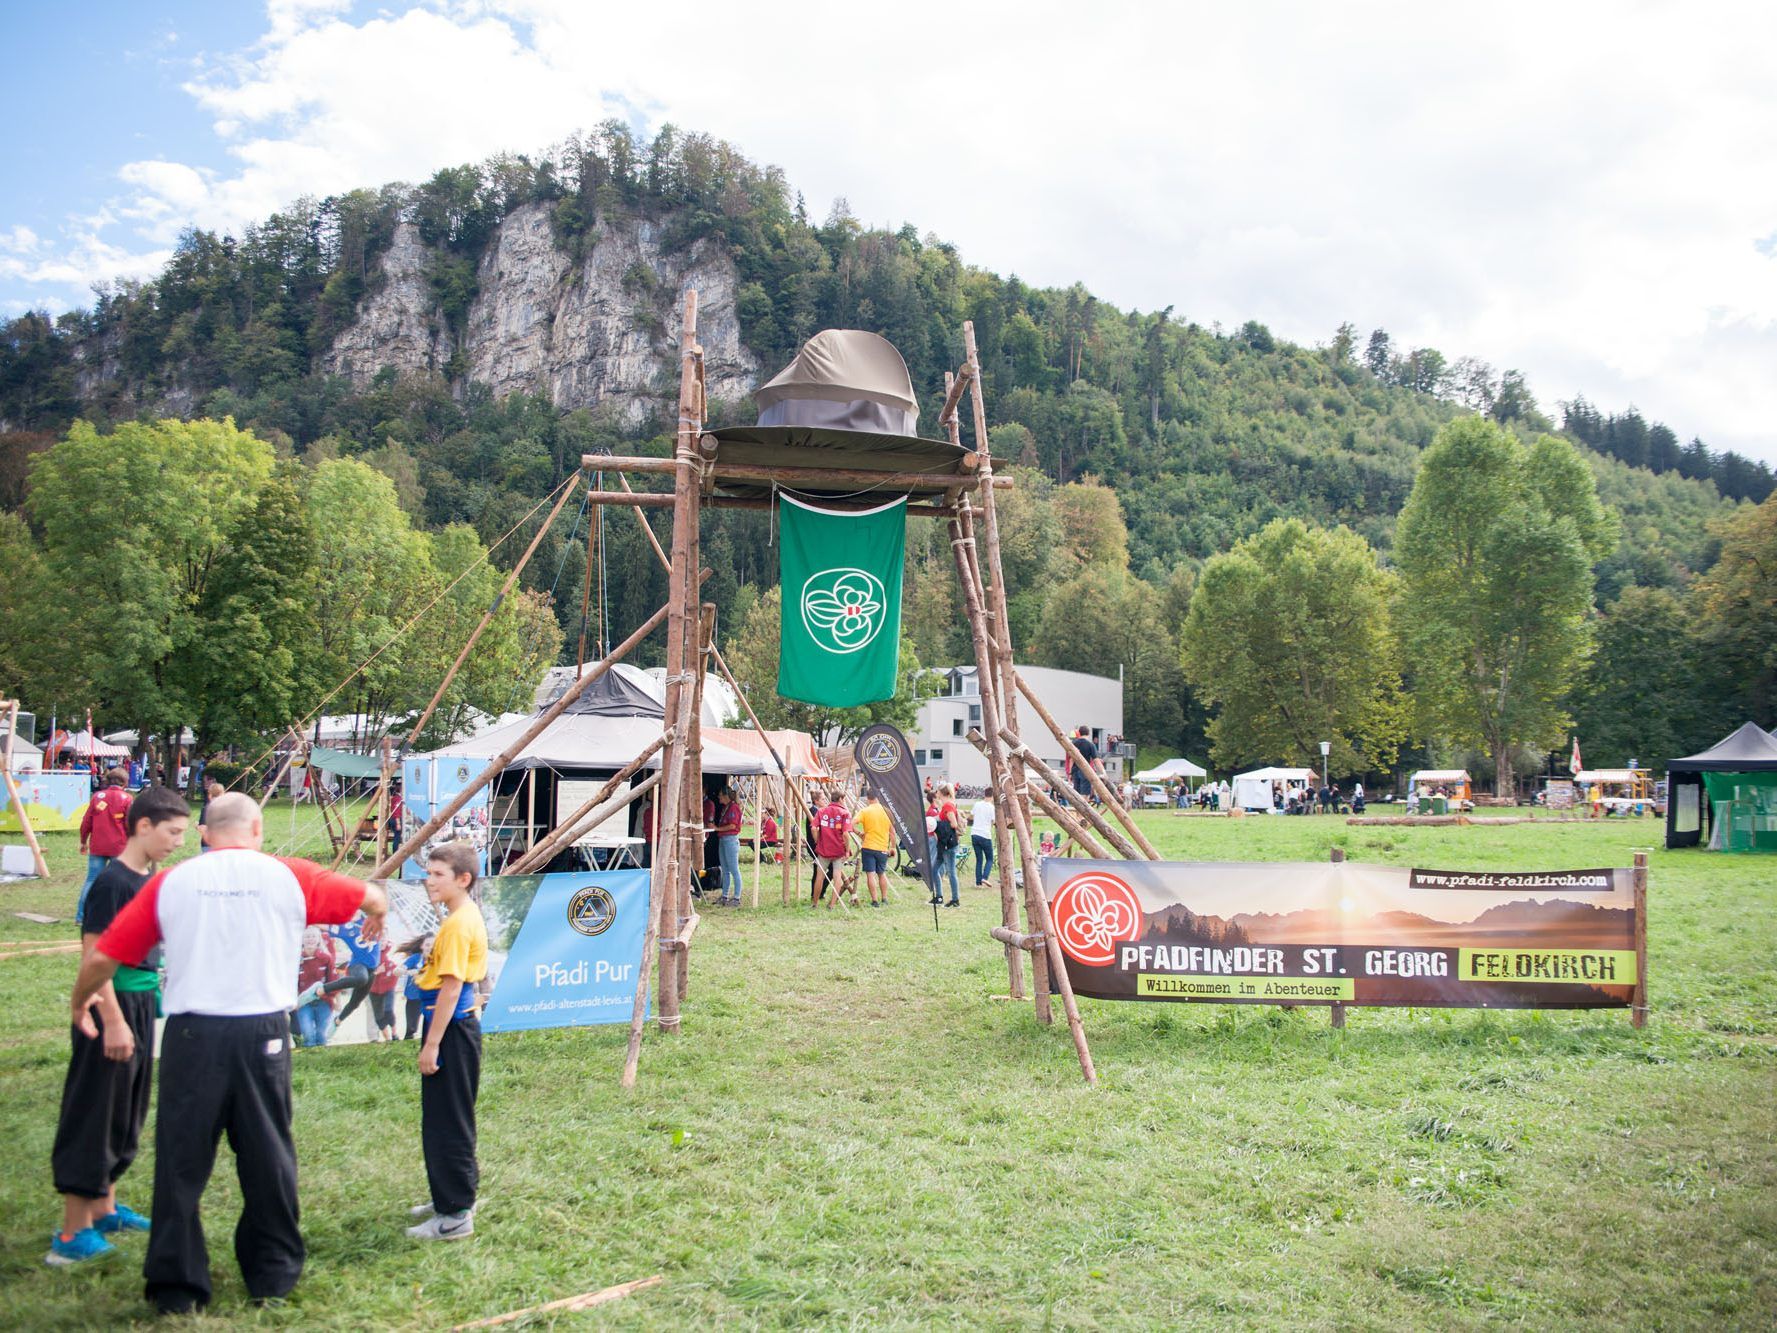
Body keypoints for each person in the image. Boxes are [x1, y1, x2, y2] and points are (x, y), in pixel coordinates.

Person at [71, 792, 388, 1315]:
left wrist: (80, 1003)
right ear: (257, 829)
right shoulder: (291, 875)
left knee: (180, 1165)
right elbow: (370, 894)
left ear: (204, 833)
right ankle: (274, 1275)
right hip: (262, 1035)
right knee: (268, 1156)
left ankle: (176, 1288)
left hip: (193, 1036)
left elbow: (105, 954)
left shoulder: (170, 882)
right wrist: (375, 913)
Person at [46, 785, 189, 1268]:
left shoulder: (151, 878)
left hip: (140, 1001)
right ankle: (71, 1232)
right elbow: (95, 955)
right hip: (112, 1007)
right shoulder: (112, 882)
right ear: (143, 826)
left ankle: (104, 1208)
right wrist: (111, 1021)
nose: (178, 842)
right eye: (172, 832)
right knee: (95, 1111)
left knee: (125, 1111)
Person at [406, 842, 488, 1242]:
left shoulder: (458, 923)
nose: (429, 880)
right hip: (456, 1028)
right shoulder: (461, 915)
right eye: (429, 872)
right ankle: (454, 1196)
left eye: (438, 874)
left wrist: (431, 1044)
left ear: (463, 879)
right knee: (453, 1115)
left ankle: (454, 1214)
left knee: (445, 1122)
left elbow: (451, 989)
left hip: (451, 1030)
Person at [76, 768, 133, 925]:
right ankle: (115, 916)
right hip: (119, 846)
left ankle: (81, 916)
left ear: (108, 780)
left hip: (98, 845)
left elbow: (87, 821)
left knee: (92, 880)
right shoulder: (127, 798)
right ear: (125, 782)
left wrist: (83, 841)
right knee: (118, 880)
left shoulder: (96, 797)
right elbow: (129, 823)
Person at [293, 930, 337, 1048]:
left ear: (319, 940)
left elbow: (334, 981)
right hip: (303, 1003)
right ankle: (310, 1062)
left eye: (313, 936)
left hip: (324, 1002)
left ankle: (322, 1061)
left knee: (322, 1035)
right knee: (308, 1034)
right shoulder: (296, 960)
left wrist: (332, 998)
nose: (310, 939)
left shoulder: (326, 958)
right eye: (307, 936)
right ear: (302, 940)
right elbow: (292, 983)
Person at [811, 792, 851, 906]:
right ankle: (832, 904)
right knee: (837, 876)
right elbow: (846, 834)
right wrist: (847, 850)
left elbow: (814, 828)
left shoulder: (821, 811)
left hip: (824, 850)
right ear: (840, 799)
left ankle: (815, 903)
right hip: (838, 851)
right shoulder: (844, 813)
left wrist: (817, 841)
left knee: (819, 876)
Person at [854, 792, 893, 907]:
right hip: (882, 847)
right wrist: (893, 847)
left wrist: (859, 833)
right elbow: (892, 832)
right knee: (882, 873)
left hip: (868, 846)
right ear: (878, 798)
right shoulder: (887, 811)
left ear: (868, 798)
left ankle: (875, 901)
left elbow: (851, 824)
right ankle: (884, 898)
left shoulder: (865, 811)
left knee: (870, 875)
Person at [927, 785, 961, 907]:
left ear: (942, 792)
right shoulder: (946, 805)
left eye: (938, 791)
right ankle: (939, 897)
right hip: (943, 844)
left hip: (948, 844)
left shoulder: (948, 806)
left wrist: (938, 825)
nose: (936, 793)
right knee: (934, 869)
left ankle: (955, 899)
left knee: (951, 872)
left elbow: (954, 824)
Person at [714, 786, 744, 906]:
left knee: (734, 869)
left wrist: (717, 828)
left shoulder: (733, 808)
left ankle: (737, 897)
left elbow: (732, 826)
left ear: (725, 796)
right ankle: (725, 896)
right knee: (725, 869)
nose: (718, 797)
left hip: (730, 839)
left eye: (720, 795)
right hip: (723, 839)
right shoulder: (726, 807)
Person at [369, 948, 400, 1042]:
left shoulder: (390, 954)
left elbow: (396, 972)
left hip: (388, 988)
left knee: (388, 1010)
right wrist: (376, 972)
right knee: (378, 1017)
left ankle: (395, 1034)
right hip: (373, 990)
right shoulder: (368, 955)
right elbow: (364, 978)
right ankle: (388, 1039)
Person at [969, 795, 996, 888]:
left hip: (974, 833)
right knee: (989, 858)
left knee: (979, 859)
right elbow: (993, 821)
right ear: (991, 796)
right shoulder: (991, 807)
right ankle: (984, 877)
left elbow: (971, 816)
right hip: (985, 835)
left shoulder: (977, 804)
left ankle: (978, 883)